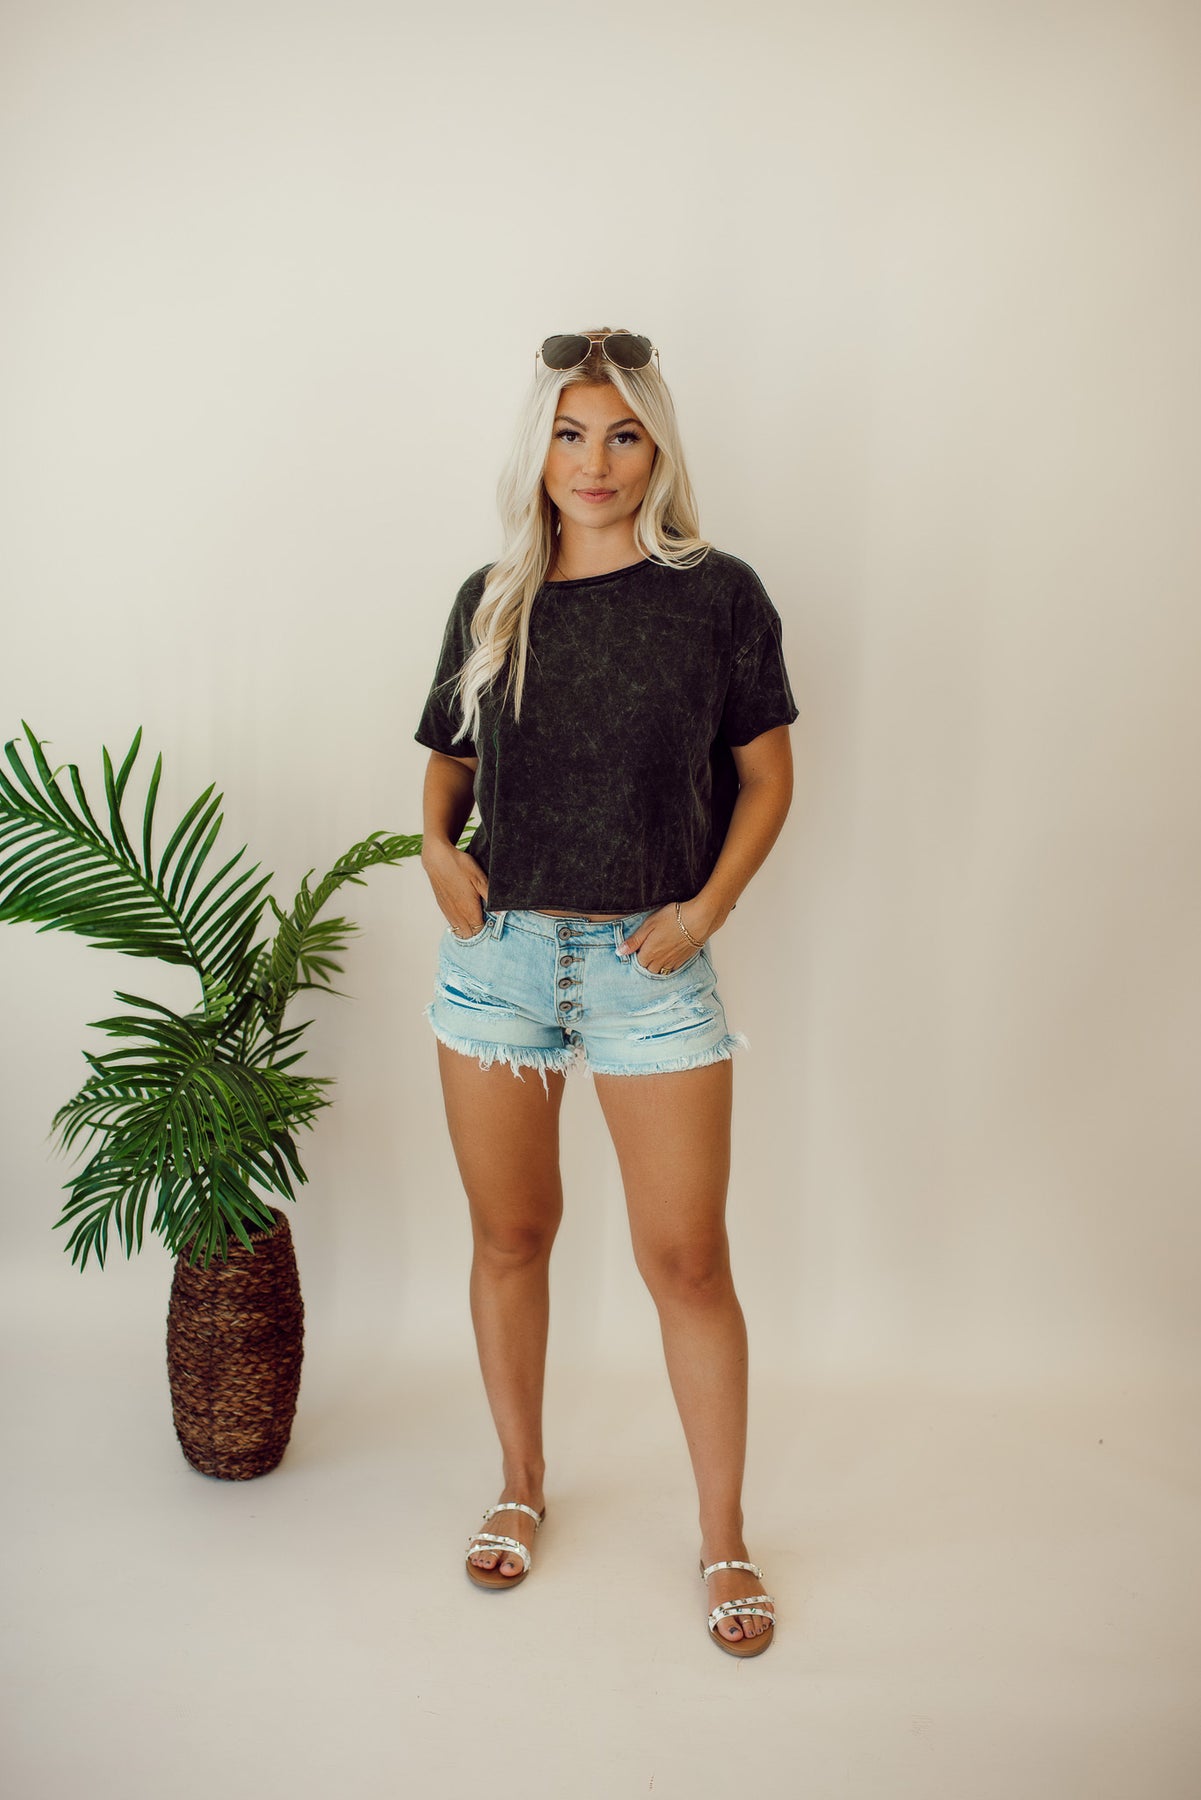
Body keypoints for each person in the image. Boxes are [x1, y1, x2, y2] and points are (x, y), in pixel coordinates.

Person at [414, 329, 797, 1658]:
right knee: (510, 1236)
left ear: (657, 448)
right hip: (499, 961)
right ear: (540, 451)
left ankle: (723, 1536)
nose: (595, 462)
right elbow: (448, 761)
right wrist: (433, 851)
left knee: (687, 1261)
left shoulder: (717, 595)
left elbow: (767, 778)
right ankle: (519, 1484)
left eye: (623, 434)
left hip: (652, 964)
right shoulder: (491, 599)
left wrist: (703, 911)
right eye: (570, 435)